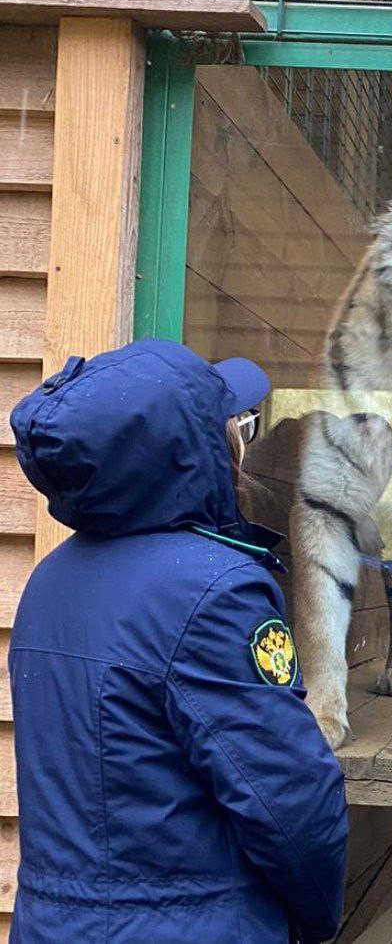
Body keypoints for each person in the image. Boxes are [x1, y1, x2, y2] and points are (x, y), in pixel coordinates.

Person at [8, 339, 348, 943]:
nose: (246, 437)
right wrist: (319, 920)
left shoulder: (49, 580)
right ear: (192, 450)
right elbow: (288, 800)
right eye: (237, 422)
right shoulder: (214, 589)